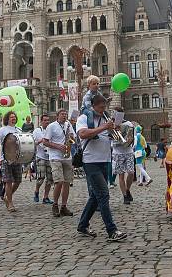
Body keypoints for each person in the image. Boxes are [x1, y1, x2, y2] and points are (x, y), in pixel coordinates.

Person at [76, 93, 126, 242]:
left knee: (95, 197)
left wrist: (114, 131)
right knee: (103, 194)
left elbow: (109, 135)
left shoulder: (105, 117)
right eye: (101, 107)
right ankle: (112, 230)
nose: (104, 109)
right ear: (94, 106)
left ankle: (83, 224)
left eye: (105, 107)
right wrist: (104, 127)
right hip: (90, 161)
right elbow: (83, 134)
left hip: (104, 160)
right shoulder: (84, 118)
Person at [44, 108, 75, 217]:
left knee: (67, 182)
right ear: (57, 116)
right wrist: (58, 146)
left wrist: (70, 139)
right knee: (59, 181)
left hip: (67, 157)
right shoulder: (51, 126)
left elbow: (73, 140)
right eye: (62, 114)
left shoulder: (68, 125)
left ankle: (64, 206)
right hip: (55, 156)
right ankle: (55, 205)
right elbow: (45, 142)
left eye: (65, 114)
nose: (64, 116)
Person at [0, 111, 23, 212]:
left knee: (18, 181)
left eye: (14, 117)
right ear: (7, 119)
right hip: (6, 158)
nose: (13, 118)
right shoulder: (3, 129)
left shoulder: (19, 129)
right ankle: (10, 203)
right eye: (11, 117)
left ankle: (7, 197)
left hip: (17, 158)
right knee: (8, 181)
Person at [110, 107, 135, 205]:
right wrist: (114, 131)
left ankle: (127, 189)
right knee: (121, 175)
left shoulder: (128, 124)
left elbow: (131, 138)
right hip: (117, 153)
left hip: (128, 151)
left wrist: (128, 139)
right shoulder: (111, 125)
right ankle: (125, 196)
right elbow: (111, 140)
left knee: (131, 172)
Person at [32, 114, 54, 204]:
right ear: (41, 121)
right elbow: (33, 143)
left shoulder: (51, 129)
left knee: (50, 179)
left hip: (50, 156)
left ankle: (45, 197)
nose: (47, 122)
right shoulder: (37, 131)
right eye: (45, 120)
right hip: (40, 156)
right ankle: (36, 191)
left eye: (48, 120)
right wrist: (41, 141)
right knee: (41, 177)